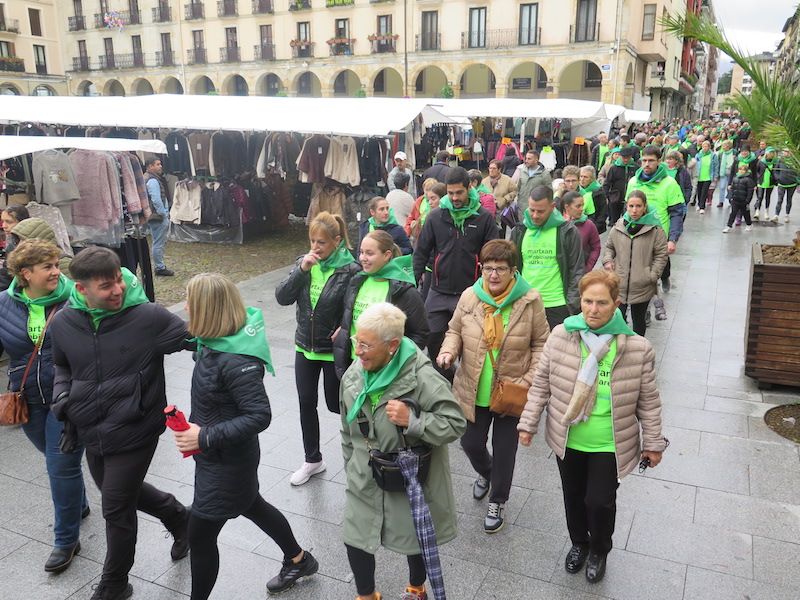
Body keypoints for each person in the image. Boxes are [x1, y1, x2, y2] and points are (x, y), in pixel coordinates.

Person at [49, 247, 190, 600]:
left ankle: (114, 584)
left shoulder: (149, 318)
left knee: (115, 506)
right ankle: (179, 517)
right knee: (124, 493)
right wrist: (63, 397)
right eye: (105, 286)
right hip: (89, 427)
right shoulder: (64, 323)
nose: (117, 291)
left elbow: (198, 339)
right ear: (81, 289)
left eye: (118, 282)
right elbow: (62, 365)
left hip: (137, 427)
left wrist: (240, 344)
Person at [518, 270, 668, 584]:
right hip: (568, 436)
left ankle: (599, 548)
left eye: (602, 302)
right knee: (572, 496)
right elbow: (541, 384)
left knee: (599, 501)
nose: (593, 309)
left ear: (616, 304)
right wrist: (528, 422)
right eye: (588, 301)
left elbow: (648, 401)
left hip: (609, 442)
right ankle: (579, 543)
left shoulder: (637, 348)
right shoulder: (561, 335)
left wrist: (653, 442)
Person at [176, 273, 318, 599]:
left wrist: (205, 436)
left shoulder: (235, 359)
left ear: (207, 310)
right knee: (253, 504)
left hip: (227, 461)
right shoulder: (214, 342)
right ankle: (299, 559)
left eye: (190, 302)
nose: (185, 306)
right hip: (219, 457)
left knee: (199, 536)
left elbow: (259, 415)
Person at [340, 302, 466, 600]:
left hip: (407, 477)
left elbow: (455, 423)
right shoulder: (355, 374)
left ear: (393, 345)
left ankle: (416, 588)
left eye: (366, 345)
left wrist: (414, 421)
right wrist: (352, 467)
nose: (358, 351)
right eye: (357, 342)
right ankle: (367, 595)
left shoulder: (422, 377)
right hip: (364, 473)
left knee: (414, 540)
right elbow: (347, 430)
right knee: (354, 538)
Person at [437, 240, 549, 533]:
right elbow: (455, 331)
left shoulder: (530, 301)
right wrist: (449, 351)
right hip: (474, 387)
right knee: (470, 443)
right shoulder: (469, 297)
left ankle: (498, 499)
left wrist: (527, 380)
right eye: (488, 268)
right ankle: (487, 474)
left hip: (511, 391)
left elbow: (541, 344)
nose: (494, 275)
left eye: (501, 269)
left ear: (513, 270)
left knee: (505, 449)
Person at [0, 239, 88, 573]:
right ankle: (78, 503)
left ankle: (66, 540)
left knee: (60, 466)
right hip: (28, 401)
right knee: (53, 457)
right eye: (47, 267)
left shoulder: (75, 299)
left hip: (69, 400)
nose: (56, 272)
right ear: (25, 274)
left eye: (56, 265)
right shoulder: (3, 304)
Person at [275, 212, 361, 486]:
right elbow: (282, 297)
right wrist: (301, 270)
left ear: (337, 240)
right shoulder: (306, 264)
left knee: (338, 406)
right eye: (312, 241)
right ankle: (312, 459)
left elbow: (352, 306)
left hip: (332, 350)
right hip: (305, 347)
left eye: (321, 242)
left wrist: (345, 329)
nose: (315, 247)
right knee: (305, 403)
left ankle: (359, 456)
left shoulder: (351, 269)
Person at [413, 167, 498, 380]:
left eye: (459, 192)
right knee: (431, 337)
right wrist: (411, 286)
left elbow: (493, 256)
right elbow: (420, 252)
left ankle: (466, 386)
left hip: (472, 293)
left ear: (469, 188)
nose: (454, 198)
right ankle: (447, 379)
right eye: (450, 193)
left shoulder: (484, 218)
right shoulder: (435, 217)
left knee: (472, 344)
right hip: (438, 291)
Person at [335, 230, 429, 378]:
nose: (363, 258)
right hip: (353, 367)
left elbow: (420, 333)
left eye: (369, 253)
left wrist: (396, 360)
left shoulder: (403, 290)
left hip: (385, 371)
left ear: (386, 255)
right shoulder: (357, 282)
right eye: (361, 252)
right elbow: (349, 318)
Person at [511, 185, 583, 329]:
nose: (535, 215)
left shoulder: (567, 231)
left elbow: (577, 270)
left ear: (552, 206)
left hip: (557, 306)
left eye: (541, 211)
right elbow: (511, 268)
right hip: (525, 302)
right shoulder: (519, 231)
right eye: (532, 210)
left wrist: (572, 305)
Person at [602, 191, 668, 335]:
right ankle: (619, 348)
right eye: (631, 206)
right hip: (619, 283)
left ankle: (638, 350)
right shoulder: (619, 226)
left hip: (642, 284)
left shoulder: (655, 230)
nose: (634, 210)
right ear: (626, 207)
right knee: (616, 320)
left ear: (645, 207)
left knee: (639, 321)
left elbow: (661, 254)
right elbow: (609, 247)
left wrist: (652, 275)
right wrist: (608, 260)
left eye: (638, 206)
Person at [625, 146, 684, 293]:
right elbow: (626, 208)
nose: (646, 164)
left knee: (662, 262)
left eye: (651, 161)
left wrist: (672, 239)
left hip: (659, 234)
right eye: (644, 160)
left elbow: (677, 213)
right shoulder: (633, 182)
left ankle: (664, 277)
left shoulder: (669, 183)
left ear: (659, 161)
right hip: (637, 232)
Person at [143, 157, 173, 276]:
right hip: (158, 216)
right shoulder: (152, 180)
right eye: (157, 164)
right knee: (158, 243)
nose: (160, 166)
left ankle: (159, 266)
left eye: (160, 164)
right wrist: (163, 214)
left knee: (157, 242)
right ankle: (160, 267)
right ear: (150, 166)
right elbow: (156, 199)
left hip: (155, 214)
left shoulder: (148, 178)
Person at [561, 191, 601, 273]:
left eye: (582, 205)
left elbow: (596, 247)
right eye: (578, 206)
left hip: (581, 273)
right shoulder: (559, 225)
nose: (582, 209)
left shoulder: (589, 225)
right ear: (567, 207)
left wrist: (588, 267)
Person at [602, 146, 638, 227]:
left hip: (631, 199)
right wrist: (607, 196)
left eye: (627, 157)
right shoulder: (614, 168)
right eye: (623, 157)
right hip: (615, 198)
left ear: (631, 157)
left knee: (628, 222)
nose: (625, 159)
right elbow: (607, 183)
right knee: (614, 222)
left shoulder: (635, 168)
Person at [0, 204, 31, 291]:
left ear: (22, 222)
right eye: (3, 221)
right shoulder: (12, 244)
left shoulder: (32, 244)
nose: (4, 226)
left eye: (9, 222)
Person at [724, 162, 755, 233]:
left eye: (743, 170)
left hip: (744, 200)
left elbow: (750, 191)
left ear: (746, 171)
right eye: (740, 169)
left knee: (746, 213)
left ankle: (749, 224)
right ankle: (728, 226)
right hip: (735, 200)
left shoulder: (748, 180)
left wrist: (747, 200)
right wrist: (731, 197)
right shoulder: (735, 178)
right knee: (733, 213)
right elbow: (732, 188)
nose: (741, 171)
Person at [578, 166, 608, 234]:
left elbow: (603, 212)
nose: (582, 179)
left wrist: (594, 228)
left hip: (594, 228)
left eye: (585, 177)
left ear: (592, 179)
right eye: (581, 176)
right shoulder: (577, 190)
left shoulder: (598, 192)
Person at [774, 148, 798, 224]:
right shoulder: (780, 160)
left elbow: (798, 171)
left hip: (792, 184)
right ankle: (776, 215)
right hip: (782, 184)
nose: (786, 153)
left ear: (790, 152)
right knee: (779, 200)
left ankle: (787, 215)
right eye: (784, 151)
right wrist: (778, 178)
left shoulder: (794, 161)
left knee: (789, 200)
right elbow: (775, 170)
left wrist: (796, 180)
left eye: (787, 152)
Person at [754, 147, 778, 222]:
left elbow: (776, 172)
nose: (771, 154)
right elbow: (756, 171)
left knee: (768, 197)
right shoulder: (761, 161)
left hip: (770, 182)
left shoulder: (775, 162)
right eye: (770, 153)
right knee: (760, 197)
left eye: (772, 153)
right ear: (766, 153)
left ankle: (766, 212)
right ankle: (757, 211)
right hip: (761, 182)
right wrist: (758, 179)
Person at [693, 140, 716, 214]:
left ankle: (702, 207)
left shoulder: (713, 155)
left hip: (708, 176)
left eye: (706, 146)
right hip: (699, 176)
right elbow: (695, 165)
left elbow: (716, 166)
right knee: (699, 191)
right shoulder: (698, 155)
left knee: (704, 192)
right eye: (703, 146)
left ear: (709, 147)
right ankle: (699, 204)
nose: (705, 148)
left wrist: (715, 176)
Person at [716, 139, 736, 207]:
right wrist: (717, 173)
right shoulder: (721, 153)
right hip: (723, 172)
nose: (723, 147)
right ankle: (721, 201)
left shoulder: (734, 152)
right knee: (722, 187)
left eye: (724, 145)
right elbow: (718, 163)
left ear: (728, 146)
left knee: (730, 187)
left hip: (732, 173)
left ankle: (731, 199)